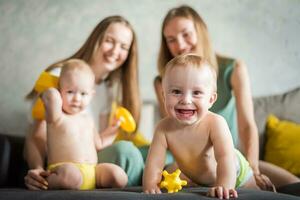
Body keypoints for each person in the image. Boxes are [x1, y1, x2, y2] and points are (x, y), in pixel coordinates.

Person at [153, 5, 299, 191]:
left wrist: (253, 166)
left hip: (232, 159)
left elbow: (246, 124)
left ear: (200, 31)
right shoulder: (162, 81)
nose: (180, 45)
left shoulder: (233, 68)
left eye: (186, 34)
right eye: (171, 39)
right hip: (187, 163)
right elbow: (170, 128)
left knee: (293, 183)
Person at [24, 15, 144, 190]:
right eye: (110, 41)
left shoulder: (108, 89)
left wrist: (112, 131)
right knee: (126, 152)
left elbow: (96, 144)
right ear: (96, 40)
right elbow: (36, 135)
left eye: (124, 47)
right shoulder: (59, 76)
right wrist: (36, 168)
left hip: (89, 166)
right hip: (63, 166)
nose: (115, 51)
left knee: (138, 152)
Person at [143, 54, 259, 198]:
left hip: (236, 172)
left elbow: (225, 158)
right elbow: (154, 164)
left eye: (196, 93)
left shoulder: (215, 123)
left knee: (257, 194)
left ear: (211, 99)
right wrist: (151, 186)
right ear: (164, 96)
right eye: (176, 92)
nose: (185, 100)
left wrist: (223, 185)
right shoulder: (163, 129)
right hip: (199, 178)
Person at [41, 59, 127, 190]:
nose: (77, 98)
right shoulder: (57, 117)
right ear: (60, 91)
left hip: (92, 172)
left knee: (119, 175)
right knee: (71, 177)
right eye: (70, 92)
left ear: (91, 95)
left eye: (83, 94)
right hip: (66, 172)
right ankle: (47, 180)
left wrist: (113, 129)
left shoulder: (88, 119)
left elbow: (99, 144)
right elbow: (50, 95)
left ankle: (100, 182)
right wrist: (52, 89)